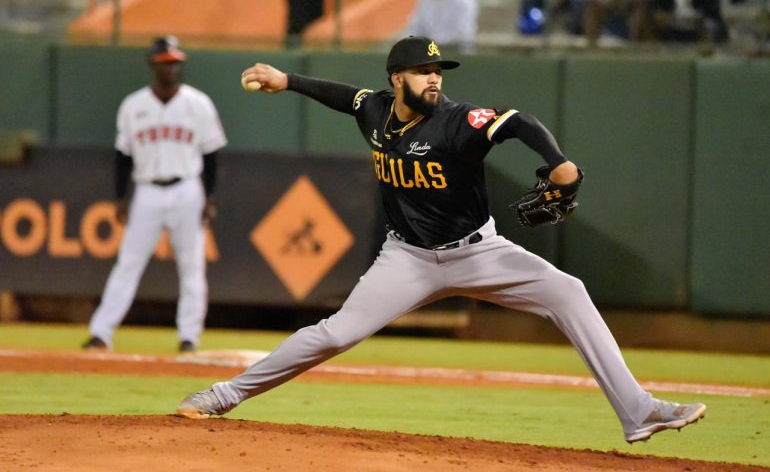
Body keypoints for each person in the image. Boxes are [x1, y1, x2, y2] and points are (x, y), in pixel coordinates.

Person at [176, 35, 707, 444]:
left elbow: (518, 122)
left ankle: (638, 412)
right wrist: (286, 79)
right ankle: (222, 395)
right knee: (335, 335)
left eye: (437, 71)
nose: (434, 79)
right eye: (423, 71)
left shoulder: (456, 122)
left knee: (568, 291)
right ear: (396, 78)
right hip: (405, 258)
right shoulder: (376, 110)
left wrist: (559, 164)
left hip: (478, 252)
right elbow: (343, 96)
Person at [82, 36, 227, 353]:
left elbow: (212, 154)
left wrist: (210, 197)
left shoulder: (198, 103)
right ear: (152, 63)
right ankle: (101, 333)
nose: (170, 68)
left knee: (192, 267)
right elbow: (123, 155)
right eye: (164, 62)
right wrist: (121, 197)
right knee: (128, 263)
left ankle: (189, 337)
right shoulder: (134, 106)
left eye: (174, 62)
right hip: (147, 190)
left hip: (187, 188)